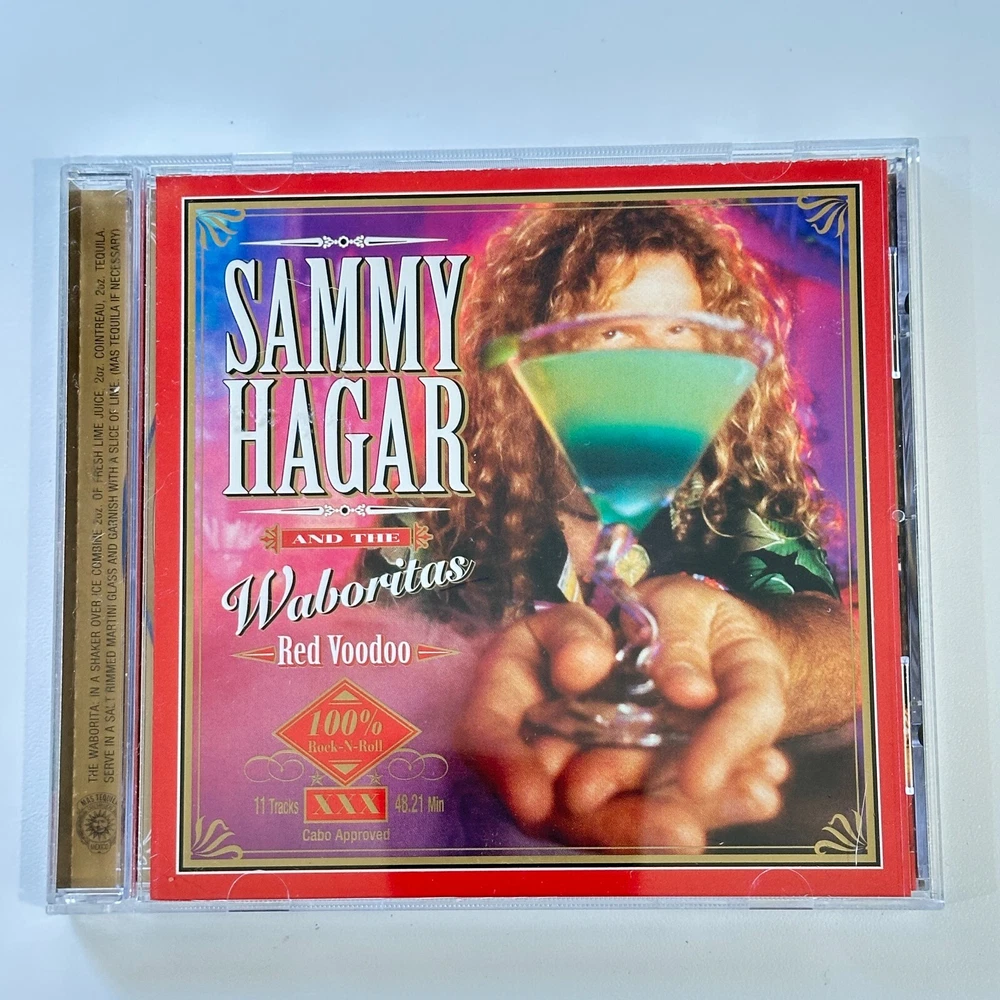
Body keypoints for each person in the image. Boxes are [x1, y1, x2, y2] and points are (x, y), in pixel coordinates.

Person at [419, 203, 858, 851]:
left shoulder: (732, 490)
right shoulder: (440, 506)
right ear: (532, 344)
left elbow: (833, 634)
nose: (656, 360)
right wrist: (452, 703)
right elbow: (365, 654)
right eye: (613, 330)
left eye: (679, 327)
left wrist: (768, 654)